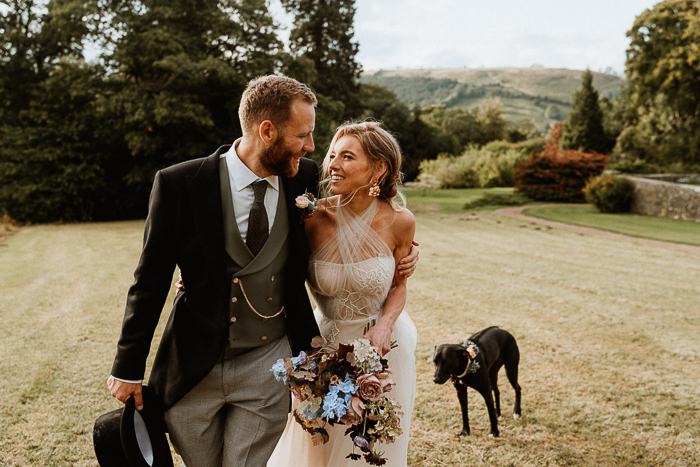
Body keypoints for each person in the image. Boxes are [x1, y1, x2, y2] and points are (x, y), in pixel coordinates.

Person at [106, 76, 419, 466]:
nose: (312, 149)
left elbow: (358, 228)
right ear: (267, 131)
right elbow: (149, 281)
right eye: (304, 135)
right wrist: (128, 367)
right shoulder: (179, 184)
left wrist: (399, 260)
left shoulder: (302, 179)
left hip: (267, 361)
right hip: (194, 363)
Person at [267, 121, 418, 467]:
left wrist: (385, 325)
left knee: (369, 450)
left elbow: (398, 286)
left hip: (382, 349)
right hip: (323, 346)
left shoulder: (400, 221)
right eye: (331, 155)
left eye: (347, 156)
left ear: (379, 168)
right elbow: (273, 265)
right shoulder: (311, 218)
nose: (332, 164)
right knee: (313, 447)